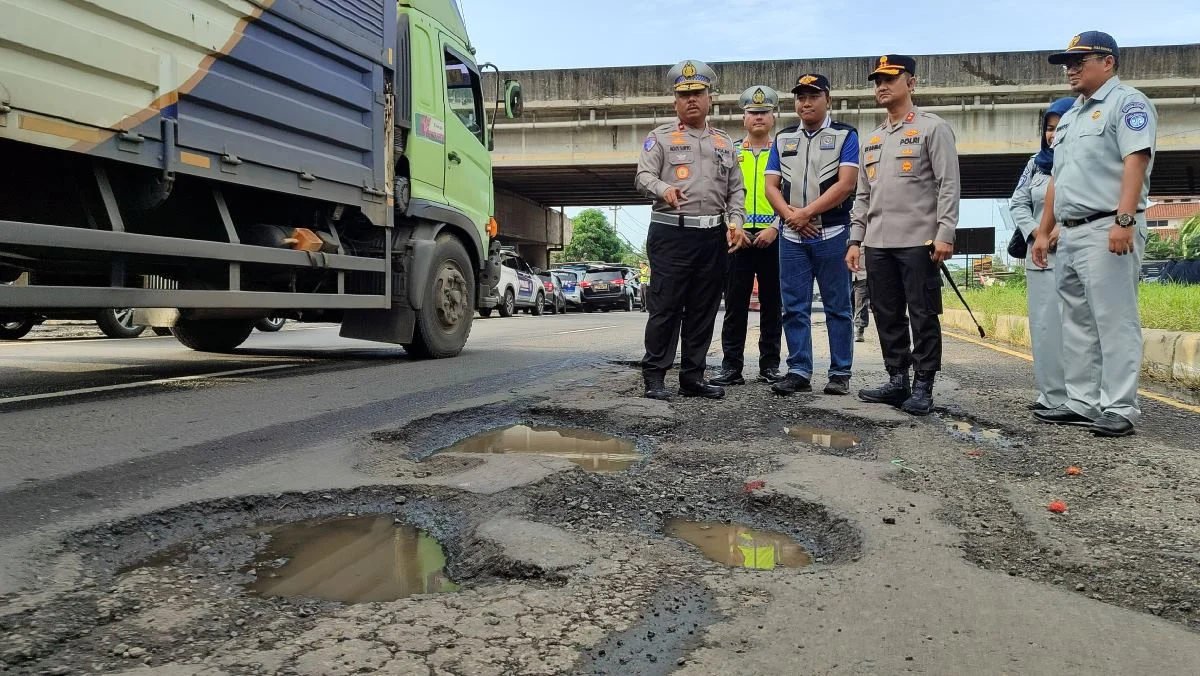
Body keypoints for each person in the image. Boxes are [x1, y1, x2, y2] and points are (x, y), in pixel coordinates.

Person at [1032, 32, 1157, 437]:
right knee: (1077, 320)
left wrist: (1124, 221)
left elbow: (1135, 161)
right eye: (1067, 63)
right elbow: (1056, 179)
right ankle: (1082, 401)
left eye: (1079, 61)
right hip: (1069, 233)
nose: (1070, 69)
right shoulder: (1070, 116)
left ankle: (1120, 406)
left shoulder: (1128, 103)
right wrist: (1043, 231)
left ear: (1108, 62)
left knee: (1114, 319)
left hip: (1108, 226)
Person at [846, 54, 960, 415]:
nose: (882, 86)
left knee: (922, 312)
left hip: (918, 240)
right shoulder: (873, 138)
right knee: (886, 312)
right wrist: (854, 239)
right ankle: (897, 379)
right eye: (877, 80)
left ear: (911, 83)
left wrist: (946, 232)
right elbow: (862, 195)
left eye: (890, 79)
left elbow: (948, 185)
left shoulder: (932, 128)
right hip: (877, 242)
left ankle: (924, 384)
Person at [635, 60, 750, 401]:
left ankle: (693, 377)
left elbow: (736, 191)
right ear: (675, 102)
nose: (691, 100)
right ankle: (654, 376)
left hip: (712, 238)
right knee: (666, 307)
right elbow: (642, 177)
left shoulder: (724, 142)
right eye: (684, 95)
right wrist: (663, 189)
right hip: (671, 234)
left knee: (703, 308)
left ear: (709, 98)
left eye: (698, 93)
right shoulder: (660, 138)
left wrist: (737, 223)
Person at [763, 74, 859, 396]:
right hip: (792, 237)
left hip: (832, 233)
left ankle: (840, 372)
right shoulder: (783, 138)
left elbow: (846, 184)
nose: (806, 103)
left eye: (813, 96)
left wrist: (806, 213)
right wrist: (792, 216)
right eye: (800, 97)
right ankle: (799, 370)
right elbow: (770, 187)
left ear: (827, 100)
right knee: (793, 307)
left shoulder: (846, 135)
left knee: (838, 307)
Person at [710, 85, 784, 387]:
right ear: (744, 118)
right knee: (736, 305)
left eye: (764, 112)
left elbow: (791, 194)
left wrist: (775, 227)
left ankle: (769, 366)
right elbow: (721, 193)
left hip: (774, 236)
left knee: (772, 304)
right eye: (753, 113)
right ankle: (731, 366)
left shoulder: (783, 151)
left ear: (773, 117)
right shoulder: (731, 152)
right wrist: (732, 225)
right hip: (736, 237)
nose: (758, 117)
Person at [1009, 97, 1075, 412]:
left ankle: (1085, 396)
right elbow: (1018, 202)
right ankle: (1052, 394)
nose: (1053, 134)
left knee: (1079, 327)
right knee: (1045, 327)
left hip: (1076, 251)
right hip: (1041, 255)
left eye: (1060, 126)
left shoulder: (1087, 160)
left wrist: (1063, 229)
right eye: (1049, 128)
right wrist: (1039, 233)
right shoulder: (1036, 162)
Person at [852, 252, 870, 343]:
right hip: (845, 275)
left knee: (861, 303)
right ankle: (848, 330)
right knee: (847, 303)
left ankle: (859, 329)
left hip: (862, 274)